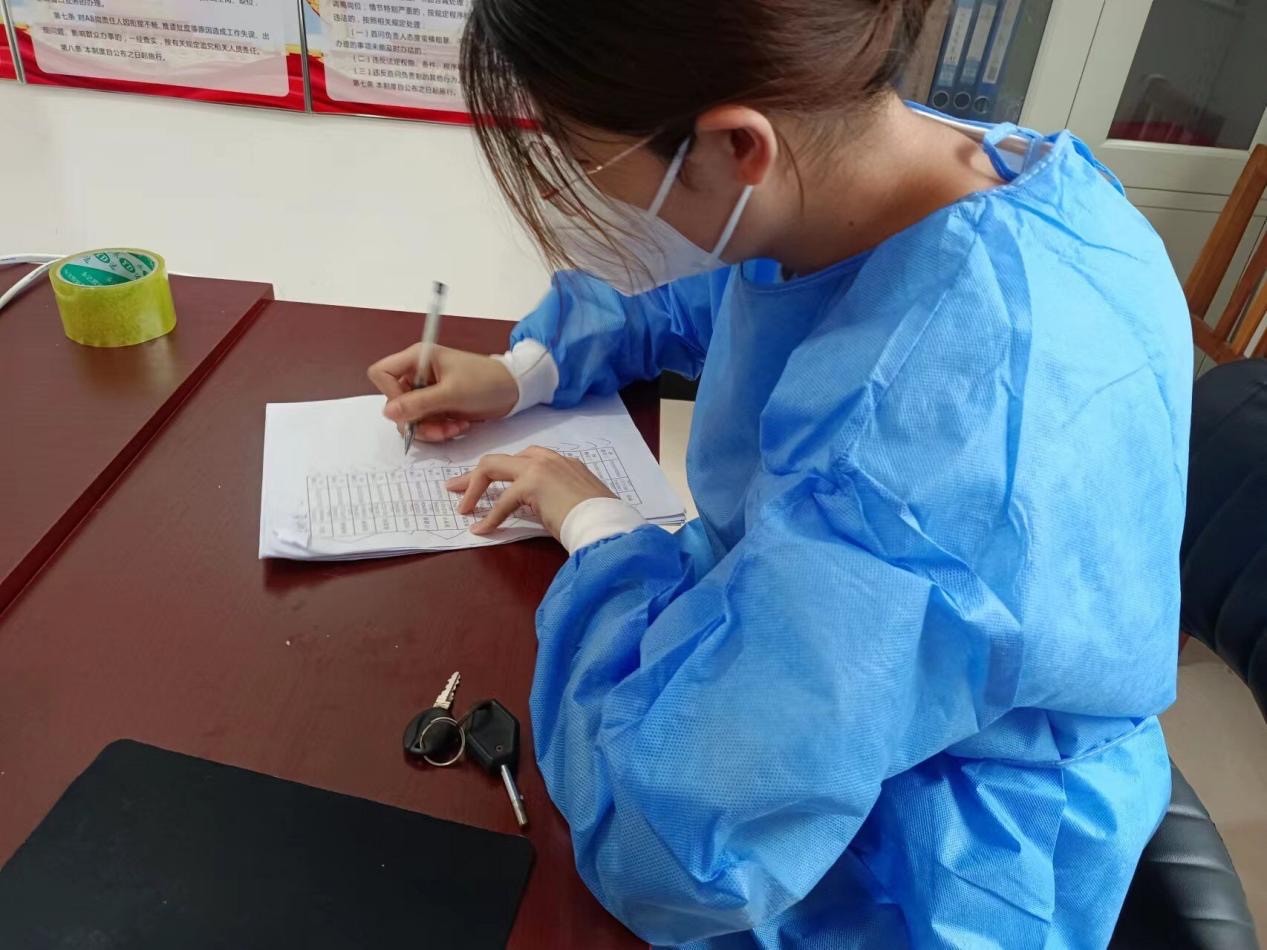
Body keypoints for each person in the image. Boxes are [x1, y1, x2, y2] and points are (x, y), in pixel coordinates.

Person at [366, 1, 1193, 946]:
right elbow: (751, 288)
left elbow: (668, 847)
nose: (601, 208)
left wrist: (598, 531)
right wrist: (527, 372)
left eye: (595, 172)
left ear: (735, 147)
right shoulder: (967, 171)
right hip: (878, 691)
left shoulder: (897, 463)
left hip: (929, 864)